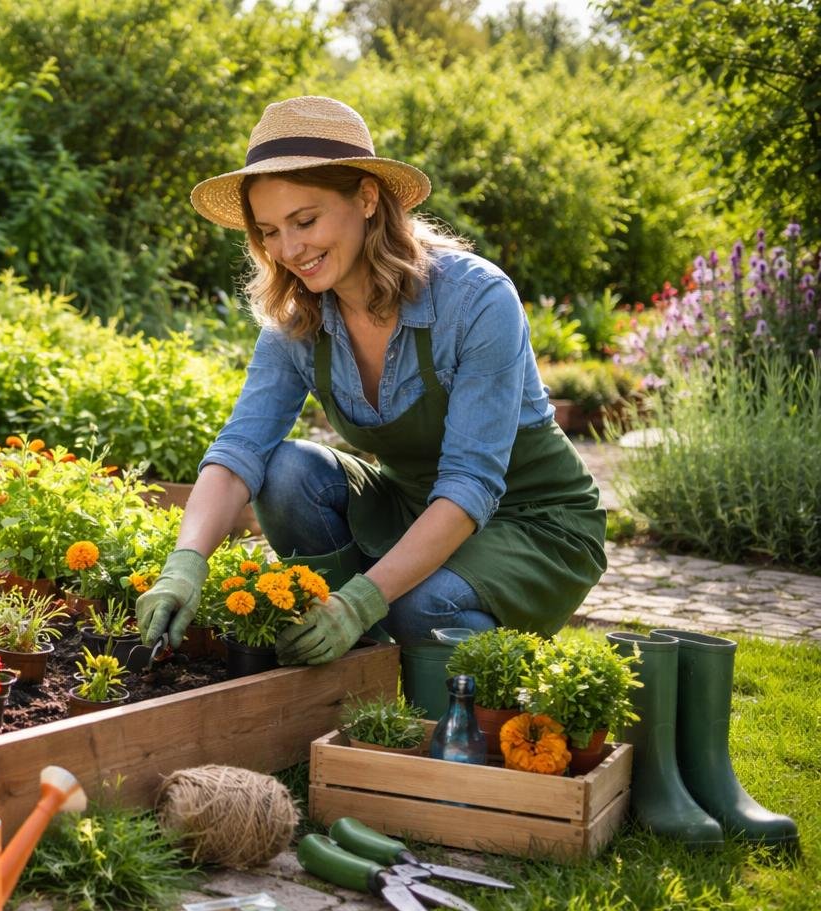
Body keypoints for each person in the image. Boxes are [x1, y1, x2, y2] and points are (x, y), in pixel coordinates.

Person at [136, 96, 606, 665]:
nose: (289, 251)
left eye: (305, 221)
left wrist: (365, 598)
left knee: (418, 605)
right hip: (414, 508)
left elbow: (470, 483)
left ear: (365, 199)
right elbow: (240, 449)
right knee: (285, 472)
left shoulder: (475, 299)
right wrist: (185, 565)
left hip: (532, 522)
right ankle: (354, 655)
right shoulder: (299, 319)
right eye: (270, 232)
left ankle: (492, 672)